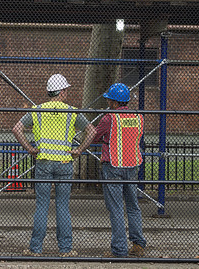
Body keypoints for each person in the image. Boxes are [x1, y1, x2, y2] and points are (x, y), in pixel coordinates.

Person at [12, 74, 91, 257]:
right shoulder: (72, 111)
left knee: (42, 205)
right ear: (62, 92)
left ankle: (35, 249)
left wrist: (30, 148)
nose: (67, 93)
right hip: (64, 162)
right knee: (62, 206)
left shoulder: (38, 110)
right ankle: (65, 249)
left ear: (49, 91)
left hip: (44, 162)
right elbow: (91, 131)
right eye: (66, 90)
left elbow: (16, 128)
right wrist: (78, 150)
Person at [71, 83, 147, 258]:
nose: (107, 102)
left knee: (116, 208)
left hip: (113, 165)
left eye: (109, 100)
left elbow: (95, 136)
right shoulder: (138, 117)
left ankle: (119, 249)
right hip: (132, 165)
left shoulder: (109, 118)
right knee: (133, 206)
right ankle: (138, 244)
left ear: (114, 102)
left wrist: (82, 144)